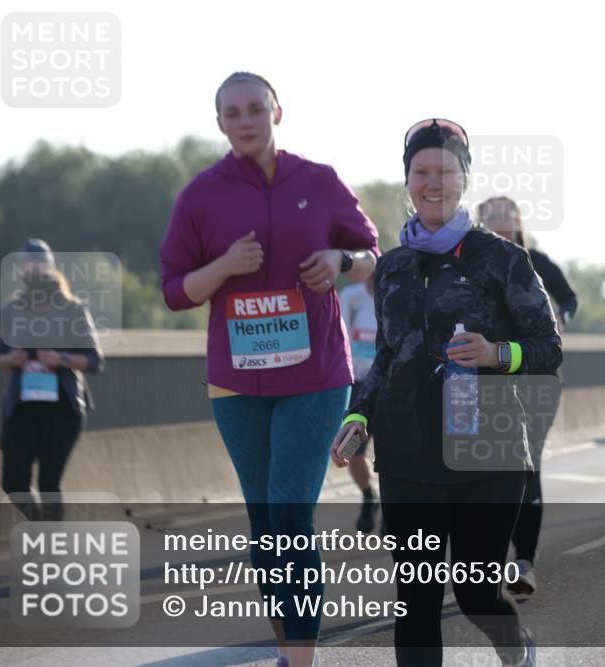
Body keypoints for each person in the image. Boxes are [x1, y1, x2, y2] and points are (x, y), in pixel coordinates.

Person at [159, 72, 379, 667]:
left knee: (288, 510)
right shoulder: (201, 196)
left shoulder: (320, 181)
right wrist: (226, 266)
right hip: (237, 382)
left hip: (316, 375)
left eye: (256, 108)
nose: (246, 121)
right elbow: (176, 291)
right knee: (265, 522)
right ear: (221, 124)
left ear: (277, 113)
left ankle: (302, 661)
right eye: (233, 113)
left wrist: (339, 258)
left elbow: (371, 256)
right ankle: (289, 651)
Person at [330, 119, 560, 667]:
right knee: (417, 602)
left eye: (446, 172)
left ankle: (514, 646)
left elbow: (548, 347)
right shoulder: (392, 268)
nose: (433, 183)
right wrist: (359, 415)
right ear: (407, 181)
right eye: (421, 172)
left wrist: (497, 355)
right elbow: (389, 354)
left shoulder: (501, 258)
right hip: (409, 454)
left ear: (465, 179)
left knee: (478, 594)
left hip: (490, 453)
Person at [477, 195, 577, 596]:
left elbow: (569, 297)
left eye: (505, 215)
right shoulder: (471, 261)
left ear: (517, 221)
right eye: (490, 216)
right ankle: (487, 559)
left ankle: (524, 562)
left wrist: (561, 318)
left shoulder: (536, 262)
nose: (498, 222)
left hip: (536, 376)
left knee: (525, 462)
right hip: (484, 379)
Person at [0, 239, 105, 520]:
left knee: (48, 483)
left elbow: (95, 361)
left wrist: (61, 360)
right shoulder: (11, 310)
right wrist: (13, 359)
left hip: (62, 409)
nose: (29, 271)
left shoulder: (73, 309)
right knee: (13, 481)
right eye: (25, 266)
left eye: (35, 265)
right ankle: (39, 522)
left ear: (49, 269)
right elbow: (0, 358)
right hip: (23, 407)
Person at [338, 275, 379, 532]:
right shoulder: (351, 297)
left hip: (387, 388)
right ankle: (368, 496)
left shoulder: (396, 294)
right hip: (356, 389)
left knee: (392, 455)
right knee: (353, 451)